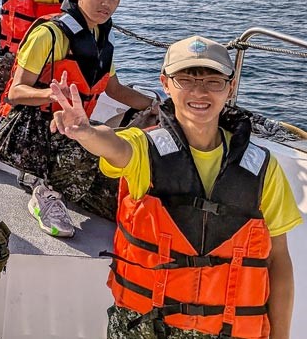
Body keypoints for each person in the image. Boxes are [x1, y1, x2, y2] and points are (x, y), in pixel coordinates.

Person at [48, 35, 301, 339]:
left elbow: (278, 260)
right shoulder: (144, 148)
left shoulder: (262, 168)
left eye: (213, 81)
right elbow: (114, 146)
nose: (199, 92)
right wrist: (86, 132)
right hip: (146, 327)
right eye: (186, 80)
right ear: (165, 84)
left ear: (230, 87)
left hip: (229, 329)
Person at [0, 0, 158, 236]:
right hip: (33, 127)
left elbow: (114, 90)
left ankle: (69, 185)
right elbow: (15, 93)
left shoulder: (100, 38)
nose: (107, 3)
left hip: (74, 124)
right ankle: (43, 190)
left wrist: (158, 107)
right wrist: (53, 94)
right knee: (89, 149)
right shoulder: (49, 34)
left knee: (117, 180)